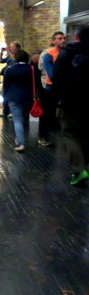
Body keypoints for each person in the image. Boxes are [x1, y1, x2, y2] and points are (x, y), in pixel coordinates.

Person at [52, 26, 89, 186]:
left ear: (77, 38)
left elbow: (56, 78)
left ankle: (80, 170)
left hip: (71, 102)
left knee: (70, 134)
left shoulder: (67, 53)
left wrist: (58, 99)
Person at [2, 50, 35, 151]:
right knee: (25, 119)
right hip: (28, 97)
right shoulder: (32, 69)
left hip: (14, 97)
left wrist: (5, 97)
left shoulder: (10, 69)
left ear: (16, 58)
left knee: (17, 120)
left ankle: (21, 143)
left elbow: (6, 85)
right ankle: (21, 137)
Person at [37, 31, 66, 146]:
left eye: (63, 38)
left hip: (61, 87)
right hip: (50, 88)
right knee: (47, 112)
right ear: (54, 41)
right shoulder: (49, 54)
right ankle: (43, 136)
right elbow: (52, 74)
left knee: (57, 112)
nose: (63, 40)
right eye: (59, 38)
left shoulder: (65, 53)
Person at [0, 41, 22, 118]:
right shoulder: (9, 56)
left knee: (12, 95)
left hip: (14, 78)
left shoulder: (20, 55)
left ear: (17, 47)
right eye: (11, 47)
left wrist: (8, 51)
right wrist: (1, 53)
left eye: (13, 47)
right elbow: (0, 61)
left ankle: (12, 112)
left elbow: (15, 60)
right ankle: (5, 111)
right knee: (4, 94)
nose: (11, 48)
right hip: (7, 77)